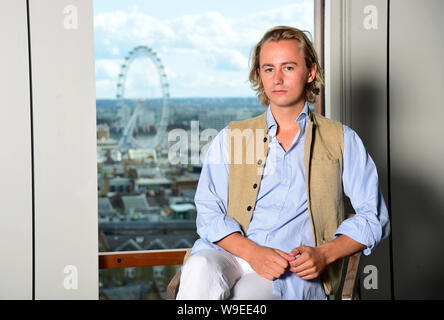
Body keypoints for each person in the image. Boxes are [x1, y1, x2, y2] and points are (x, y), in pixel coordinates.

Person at [176, 26, 390, 300]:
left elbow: (374, 218)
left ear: (310, 72)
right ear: (259, 75)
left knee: (248, 295)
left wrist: (324, 254)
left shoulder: (341, 139)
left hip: (290, 266)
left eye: (288, 67)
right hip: (229, 253)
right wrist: (253, 252)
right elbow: (208, 211)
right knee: (199, 267)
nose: (277, 78)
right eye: (268, 69)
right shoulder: (231, 136)